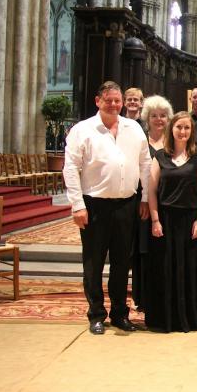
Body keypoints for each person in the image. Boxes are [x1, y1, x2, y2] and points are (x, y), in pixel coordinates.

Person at [63, 81, 152, 335]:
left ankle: (120, 314)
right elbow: (70, 168)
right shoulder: (83, 130)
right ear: (98, 101)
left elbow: (145, 164)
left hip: (127, 204)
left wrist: (144, 197)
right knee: (94, 262)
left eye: (117, 100)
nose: (114, 104)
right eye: (109, 100)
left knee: (122, 263)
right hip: (94, 206)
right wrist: (77, 205)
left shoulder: (133, 128)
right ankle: (96, 315)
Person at [146, 112, 197, 332]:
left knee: (189, 269)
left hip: (190, 220)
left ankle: (189, 315)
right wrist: (155, 219)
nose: (182, 132)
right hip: (165, 219)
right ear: (171, 130)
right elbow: (152, 191)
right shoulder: (160, 156)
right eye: (179, 127)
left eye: (187, 128)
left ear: (191, 131)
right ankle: (165, 317)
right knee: (165, 268)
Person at [132, 95, 173, 311]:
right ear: (147, 118)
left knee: (163, 250)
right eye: (154, 116)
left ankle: (163, 295)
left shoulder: (174, 142)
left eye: (163, 116)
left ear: (169, 118)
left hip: (167, 204)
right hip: (142, 204)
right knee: (143, 250)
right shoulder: (140, 141)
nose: (159, 119)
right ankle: (143, 297)